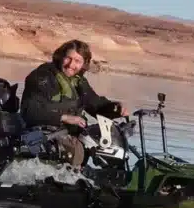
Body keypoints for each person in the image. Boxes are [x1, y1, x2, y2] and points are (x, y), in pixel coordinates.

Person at [20, 39, 127, 167]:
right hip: (44, 135)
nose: (71, 65)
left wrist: (115, 108)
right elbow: (29, 111)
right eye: (68, 58)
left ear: (84, 64)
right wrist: (65, 117)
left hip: (69, 135)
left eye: (77, 61)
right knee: (76, 150)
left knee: (110, 148)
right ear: (60, 57)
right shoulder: (42, 77)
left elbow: (96, 105)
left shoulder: (78, 81)